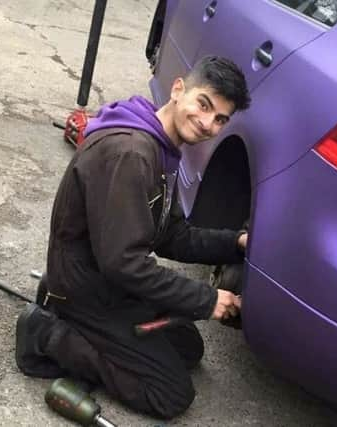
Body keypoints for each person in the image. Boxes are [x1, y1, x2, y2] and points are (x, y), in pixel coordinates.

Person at [15, 55, 251, 419]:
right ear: (178, 90)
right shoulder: (131, 154)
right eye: (203, 105)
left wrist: (234, 243)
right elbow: (123, 264)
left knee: (188, 349)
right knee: (170, 393)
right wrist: (207, 299)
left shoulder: (162, 149)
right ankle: (47, 334)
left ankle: (81, 324)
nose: (208, 123)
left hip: (108, 279)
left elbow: (172, 236)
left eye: (220, 119)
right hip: (87, 289)